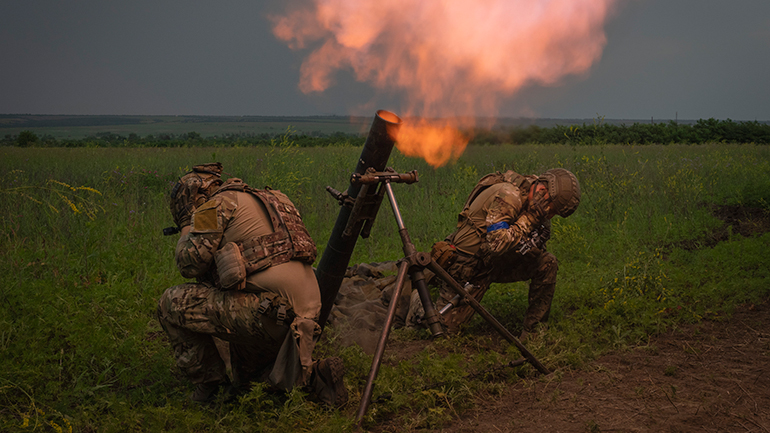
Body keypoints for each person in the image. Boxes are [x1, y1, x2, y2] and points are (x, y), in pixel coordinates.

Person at [156, 163, 347, 406]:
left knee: (171, 303)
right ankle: (315, 378)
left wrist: (186, 223)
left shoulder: (215, 205)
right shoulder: (274, 198)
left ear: (197, 197)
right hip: (305, 320)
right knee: (250, 383)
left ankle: (211, 389)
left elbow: (189, 264)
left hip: (269, 313)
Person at [423, 168, 581, 339]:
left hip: (497, 261)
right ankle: (416, 294)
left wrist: (535, 244)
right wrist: (529, 220)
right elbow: (496, 244)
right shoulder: (509, 195)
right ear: (542, 191)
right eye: (551, 210)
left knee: (547, 263)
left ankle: (534, 334)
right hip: (471, 265)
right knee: (443, 330)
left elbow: (525, 242)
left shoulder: (535, 196)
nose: (549, 215)